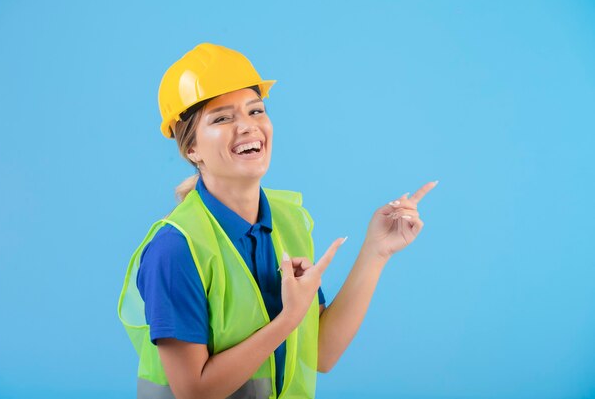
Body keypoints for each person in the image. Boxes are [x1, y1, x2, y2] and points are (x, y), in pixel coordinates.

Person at [118, 43, 438, 399]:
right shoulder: (175, 250)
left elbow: (322, 353)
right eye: (222, 118)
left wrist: (377, 251)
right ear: (191, 147)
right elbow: (195, 392)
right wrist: (288, 319)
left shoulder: (289, 222)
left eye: (256, 111)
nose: (247, 127)